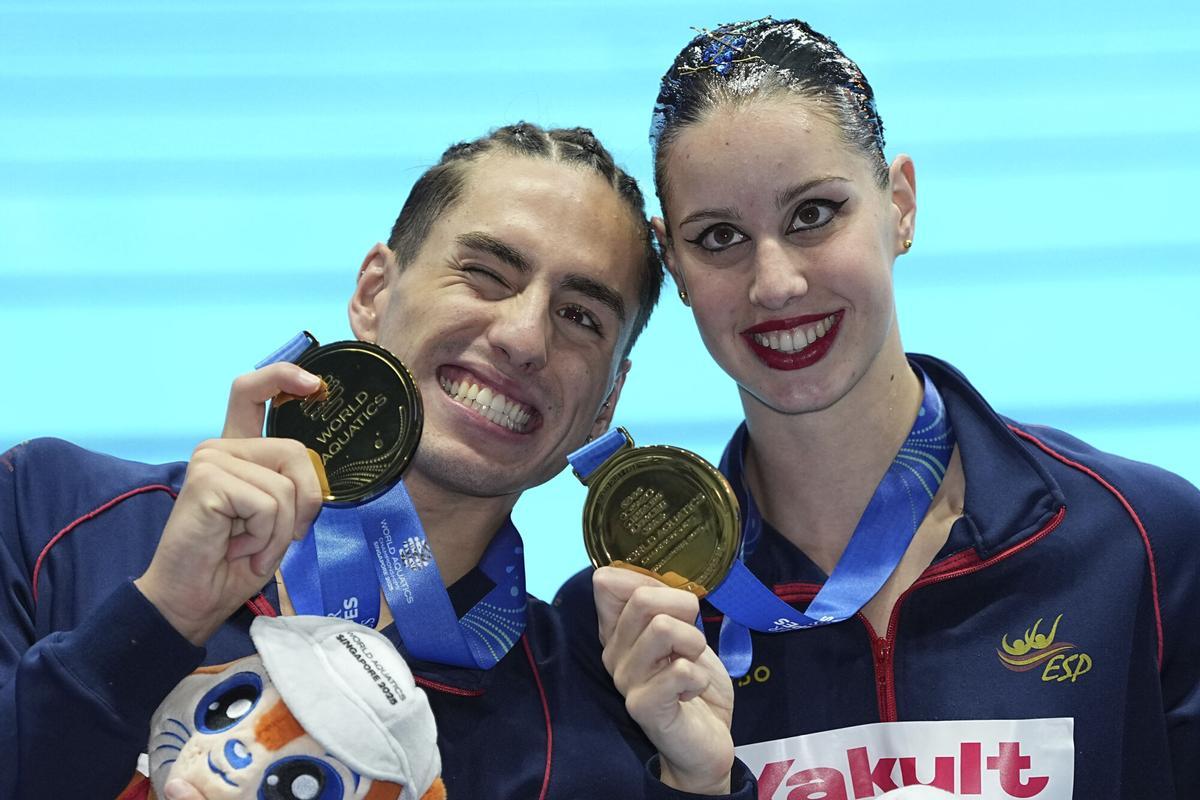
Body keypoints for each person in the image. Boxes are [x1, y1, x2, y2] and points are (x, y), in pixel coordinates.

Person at [1, 122, 753, 799]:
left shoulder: (594, 718)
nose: (525, 337)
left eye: (580, 317)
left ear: (606, 402)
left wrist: (701, 786)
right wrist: (160, 616)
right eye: (487, 274)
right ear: (373, 292)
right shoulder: (50, 515)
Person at [556, 18, 1200, 798]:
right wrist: (695, 785)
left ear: (899, 205)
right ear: (675, 265)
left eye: (815, 214)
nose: (776, 283)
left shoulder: (1139, 545)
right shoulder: (639, 628)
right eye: (720, 235)